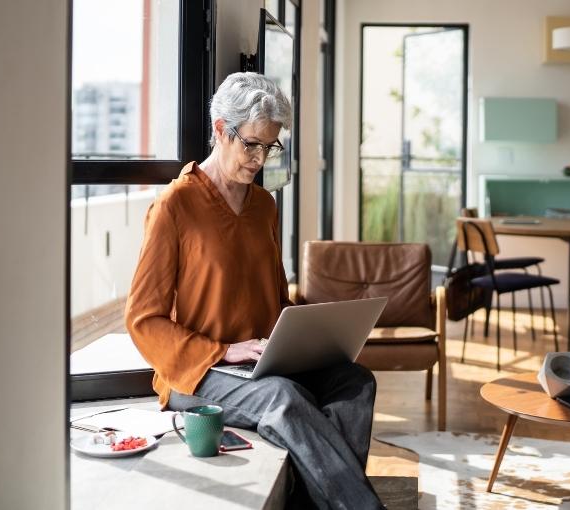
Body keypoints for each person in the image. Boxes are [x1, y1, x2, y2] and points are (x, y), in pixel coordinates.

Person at [125, 72, 384, 509]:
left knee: (354, 383)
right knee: (284, 399)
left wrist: (312, 335)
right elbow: (142, 320)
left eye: (270, 146)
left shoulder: (264, 205)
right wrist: (224, 350)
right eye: (252, 144)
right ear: (220, 130)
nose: (261, 158)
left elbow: (276, 298)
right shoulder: (174, 206)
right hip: (199, 371)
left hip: (264, 363)